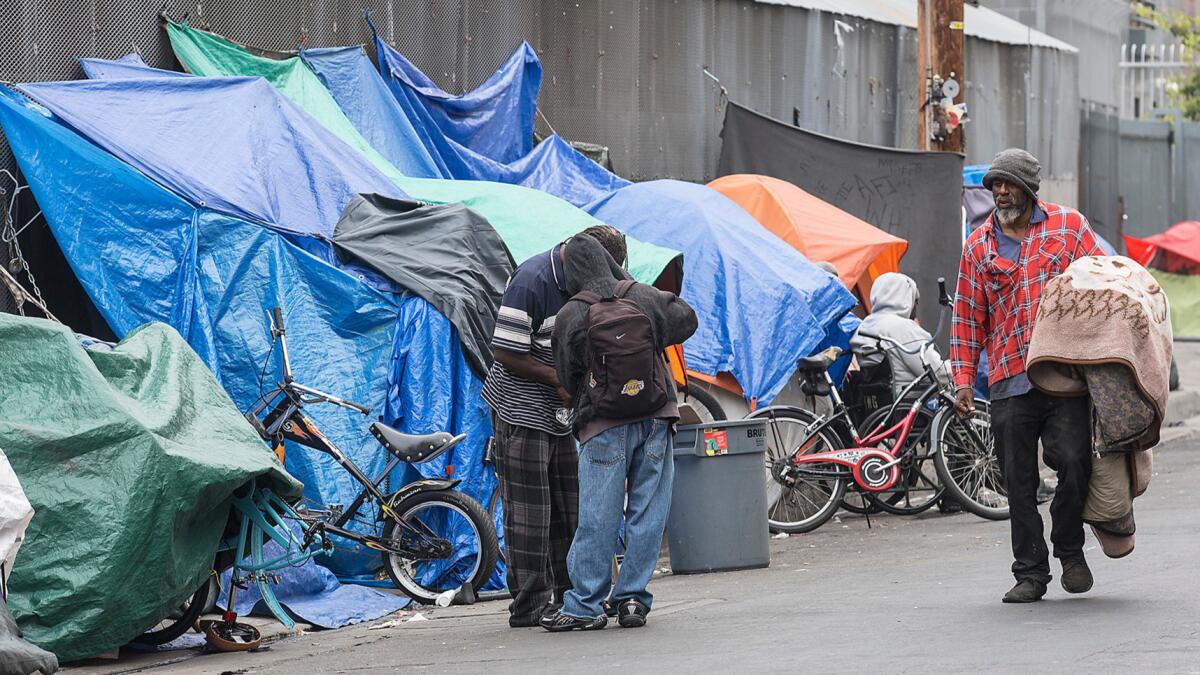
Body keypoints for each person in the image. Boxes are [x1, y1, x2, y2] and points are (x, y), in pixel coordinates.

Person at [950, 148, 1105, 604]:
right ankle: (1031, 572)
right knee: (1017, 479)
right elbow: (966, 318)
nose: (1000, 191)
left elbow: (1103, 281)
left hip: (1066, 374)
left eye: (1009, 184)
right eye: (995, 185)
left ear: (1029, 190)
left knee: (1075, 462)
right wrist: (962, 379)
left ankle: (1070, 550)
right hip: (1008, 379)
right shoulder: (979, 245)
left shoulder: (1068, 228)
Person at [541, 234, 697, 631]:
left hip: (603, 424)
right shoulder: (642, 296)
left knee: (598, 514)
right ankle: (631, 601)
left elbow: (565, 373)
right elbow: (688, 319)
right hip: (656, 417)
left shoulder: (571, 314)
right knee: (647, 510)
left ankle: (585, 606)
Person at [482, 224, 629, 628]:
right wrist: (557, 379)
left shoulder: (587, 281)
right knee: (532, 512)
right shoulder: (532, 279)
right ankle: (528, 605)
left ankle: (572, 598)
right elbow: (505, 351)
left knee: (571, 504)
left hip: (562, 410)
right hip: (522, 406)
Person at [849, 272, 951, 397]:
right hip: (910, 402)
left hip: (878, 404)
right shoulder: (901, 328)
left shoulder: (865, 325)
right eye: (915, 300)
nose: (916, 306)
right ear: (904, 300)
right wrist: (959, 368)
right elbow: (939, 374)